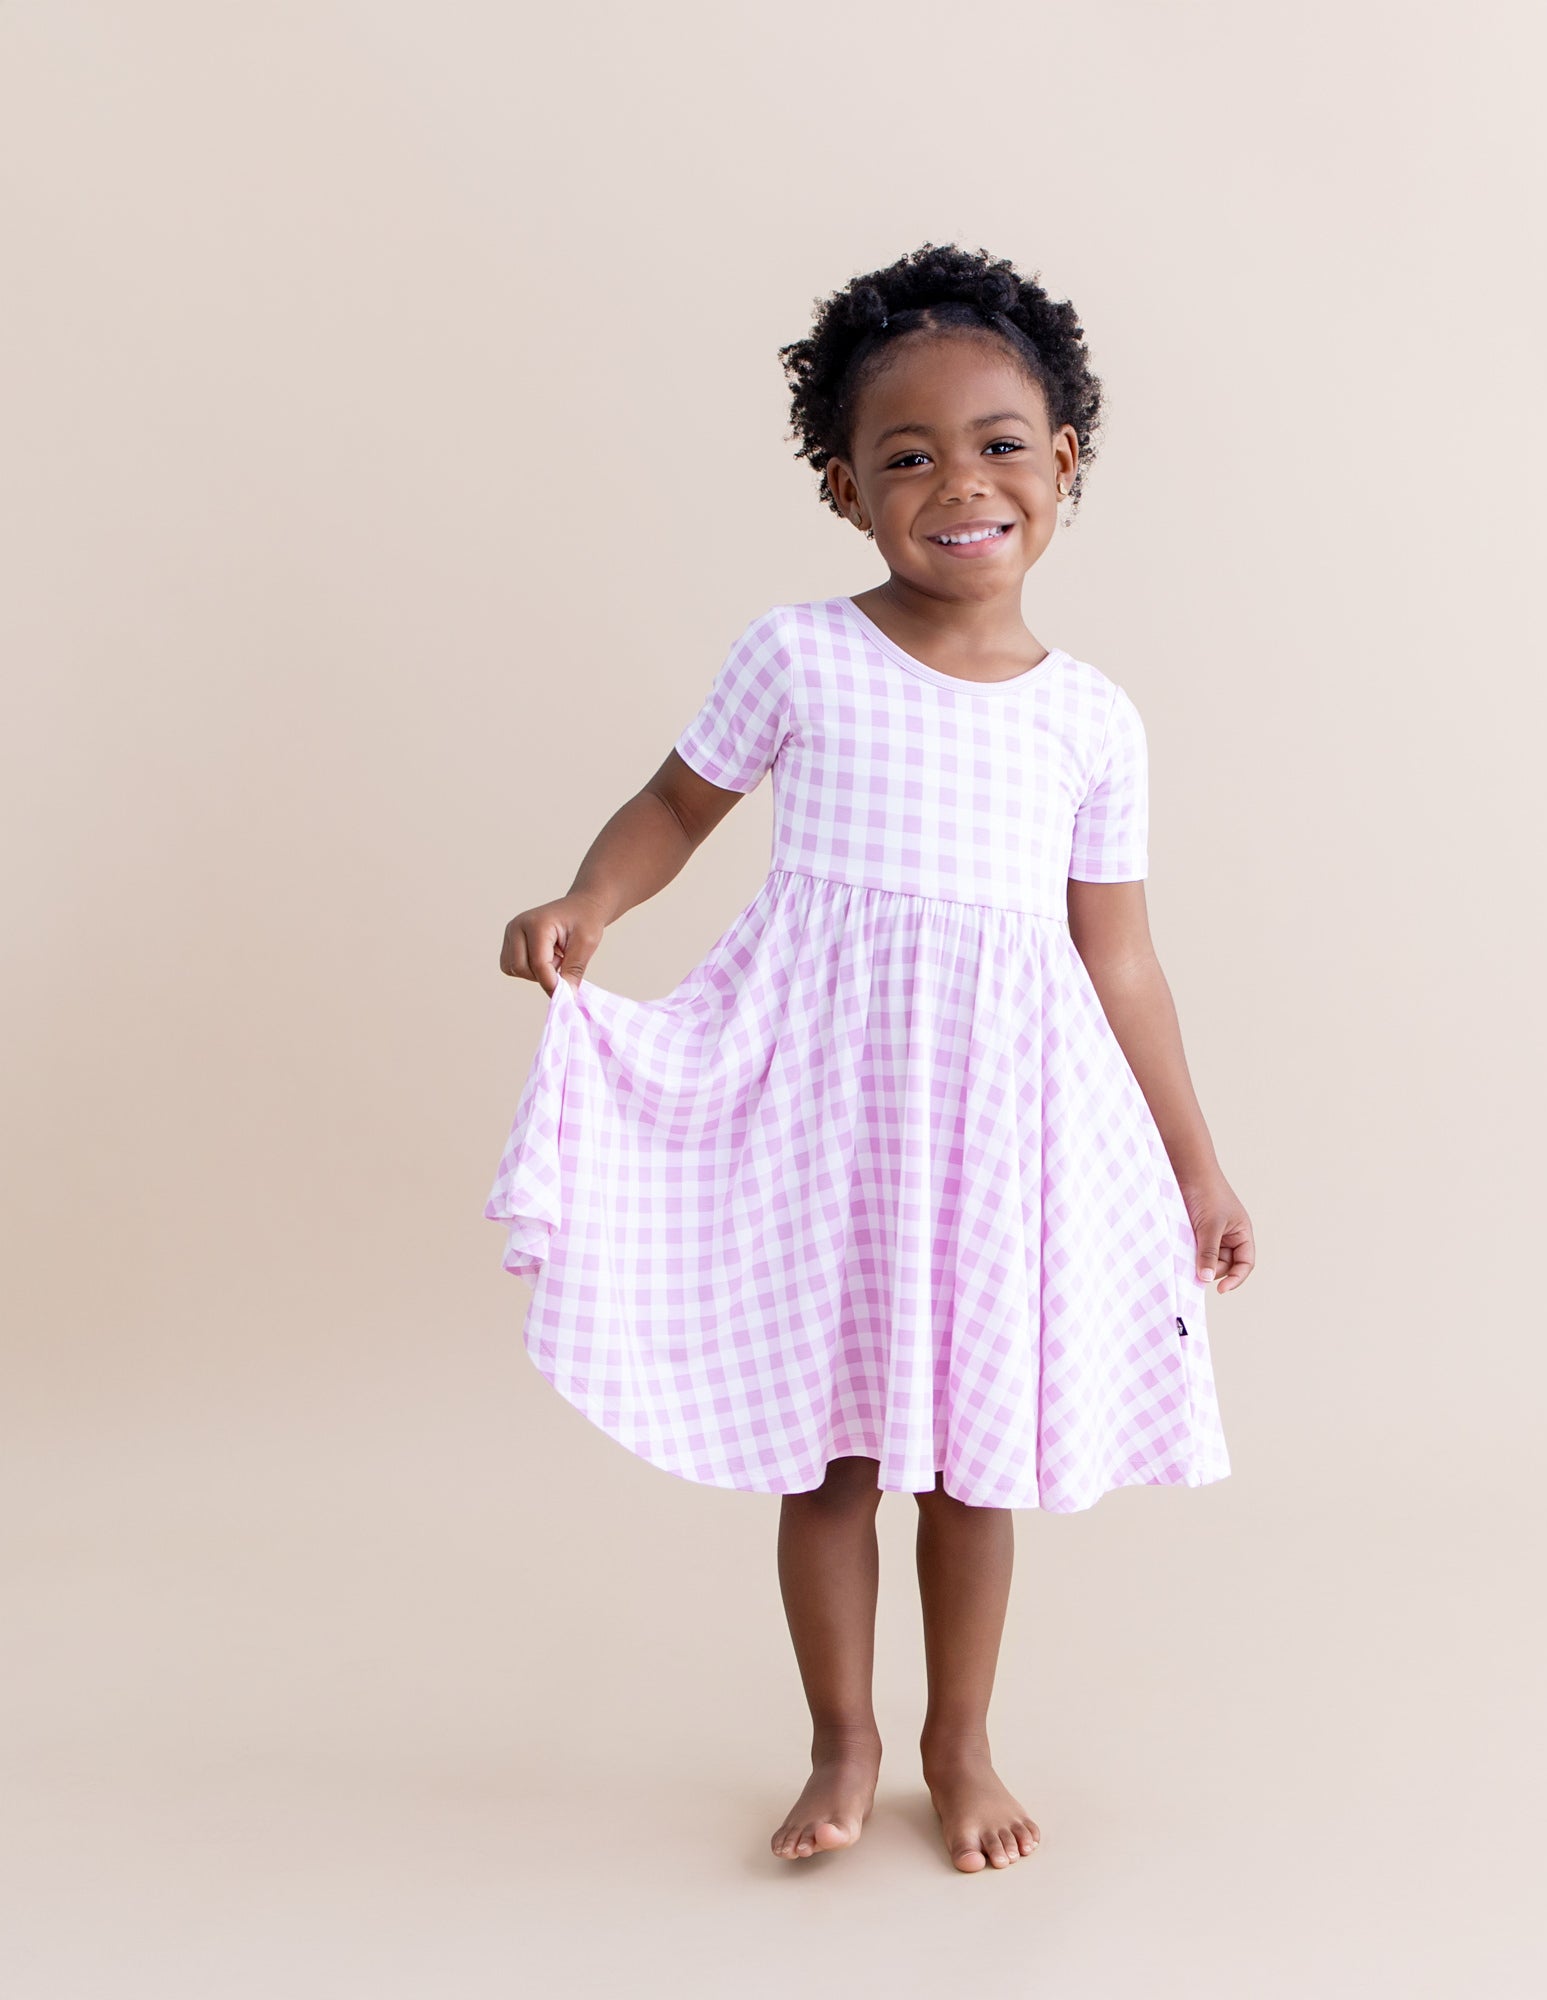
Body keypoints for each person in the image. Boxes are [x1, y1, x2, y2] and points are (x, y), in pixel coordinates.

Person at [486, 242, 1255, 1873]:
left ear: (1064, 462)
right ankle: (842, 1743)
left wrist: (1196, 1163)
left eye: (998, 444)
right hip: (824, 1118)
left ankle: (959, 1747)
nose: (958, 483)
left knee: (975, 1467)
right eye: (907, 456)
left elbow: (1120, 955)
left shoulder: (1092, 720)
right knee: (831, 1453)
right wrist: (589, 899)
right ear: (846, 489)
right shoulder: (799, 656)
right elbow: (677, 806)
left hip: (999, 1129)